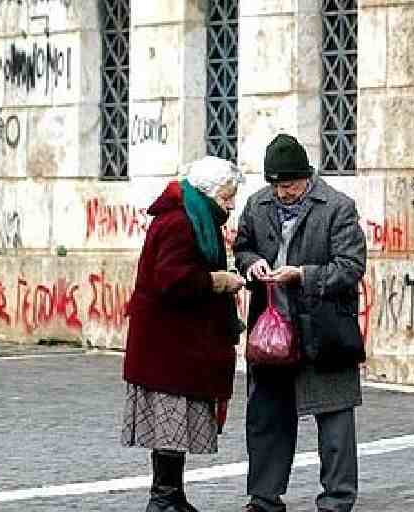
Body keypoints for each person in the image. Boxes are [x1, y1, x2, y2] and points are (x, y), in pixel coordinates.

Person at [233, 134, 367, 512]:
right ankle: (264, 498)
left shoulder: (338, 207)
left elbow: (351, 266)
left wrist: (303, 275)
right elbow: (242, 247)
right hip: (271, 329)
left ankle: (336, 500)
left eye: (289, 185)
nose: (283, 192)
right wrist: (251, 263)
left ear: (306, 177)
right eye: (276, 185)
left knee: (335, 419)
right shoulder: (257, 205)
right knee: (266, 417)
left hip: (325, 329)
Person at [121, 156, 247, 512]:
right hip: (169, 346)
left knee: (173, 425)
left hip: (174, 345)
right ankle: (163, 499)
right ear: (206, 193)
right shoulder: (180, 222)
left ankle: (171, 496)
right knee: (170, 423)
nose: (230, 204)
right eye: (226, 197)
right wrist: (218, 281)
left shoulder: (192, 217)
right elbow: (171, 279)